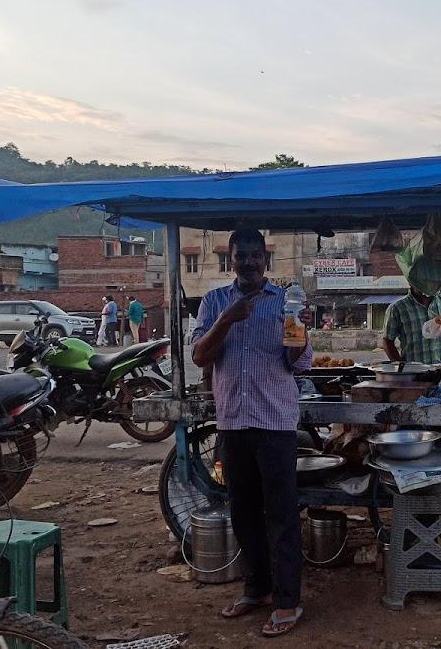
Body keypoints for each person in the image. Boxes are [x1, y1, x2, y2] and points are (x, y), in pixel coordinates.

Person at [190, 228, 312, 638]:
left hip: (274, 423)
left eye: (254, 255)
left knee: (281, 516)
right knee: (242, 513)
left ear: (265, 259)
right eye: (240, 255)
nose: (247, 262)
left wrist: (299, 330)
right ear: (231, 259)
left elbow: (298, 362)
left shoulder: (284, 303)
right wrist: (227, 319)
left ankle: (288, 601)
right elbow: (199, 356)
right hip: (232, 422)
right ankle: (256, 589)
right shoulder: (213, 302)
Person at [382, 286, 441, 364]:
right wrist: (402, 367)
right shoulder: (397, 308)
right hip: (413, 372)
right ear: (410, 281)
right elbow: (387, 341)